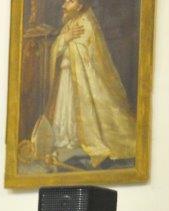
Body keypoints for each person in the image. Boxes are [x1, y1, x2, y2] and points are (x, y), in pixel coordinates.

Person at [40, 0, 137, 169]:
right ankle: (67, 138)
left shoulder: (86, 23)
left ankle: (79, 138)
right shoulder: (70, 23)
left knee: (80, 109)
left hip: (82, 80)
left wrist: (67, 42)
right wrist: (64, 38)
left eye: (70, 1)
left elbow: (85, 53)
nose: (64, 5)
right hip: (66, 78)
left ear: (79, 6)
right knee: (65, 108)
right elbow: (58, 48)